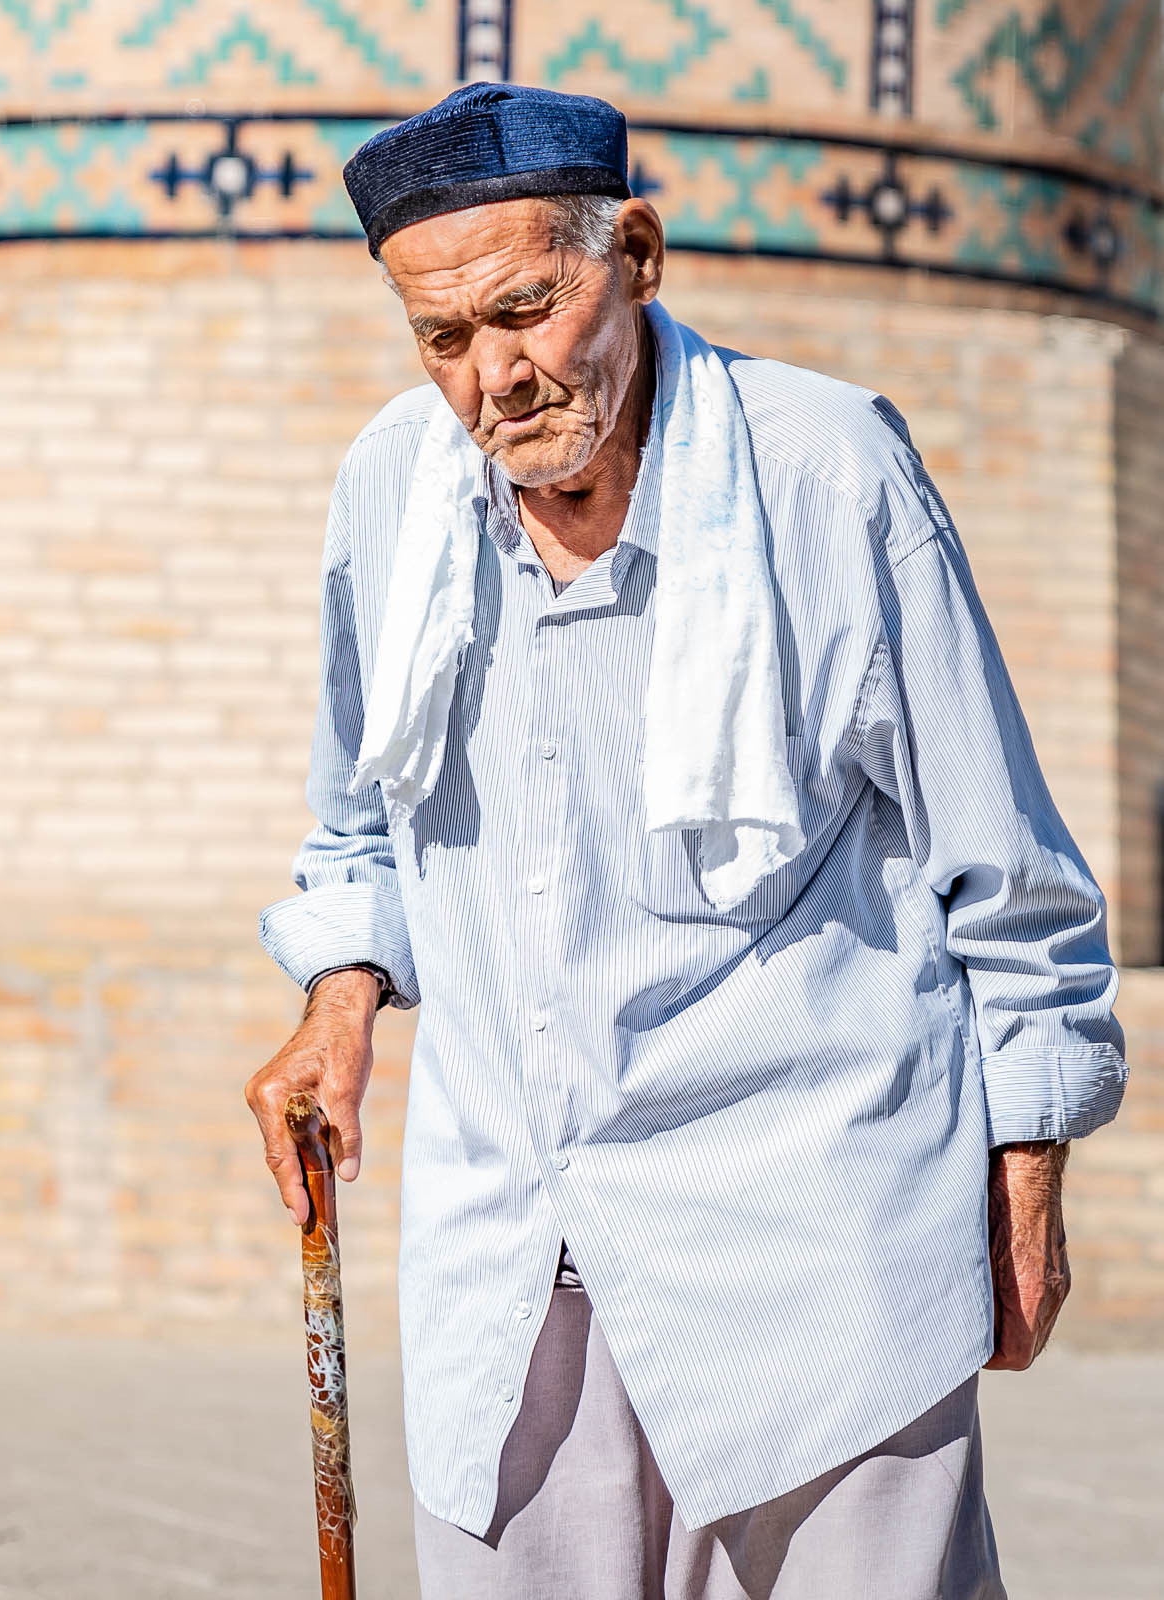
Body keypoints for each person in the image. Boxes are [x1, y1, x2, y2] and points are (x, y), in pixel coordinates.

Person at [246, 84, 1123, 1599]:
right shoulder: (391, 488)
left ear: (635, 256)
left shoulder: (826, 469)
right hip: (514, 1252)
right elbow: (358, 822)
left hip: (813, 1247)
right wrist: (336, 1004)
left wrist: (1025, 1167)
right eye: (443, 340)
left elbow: (1006, 866)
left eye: (525, 310)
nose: (495, 379)